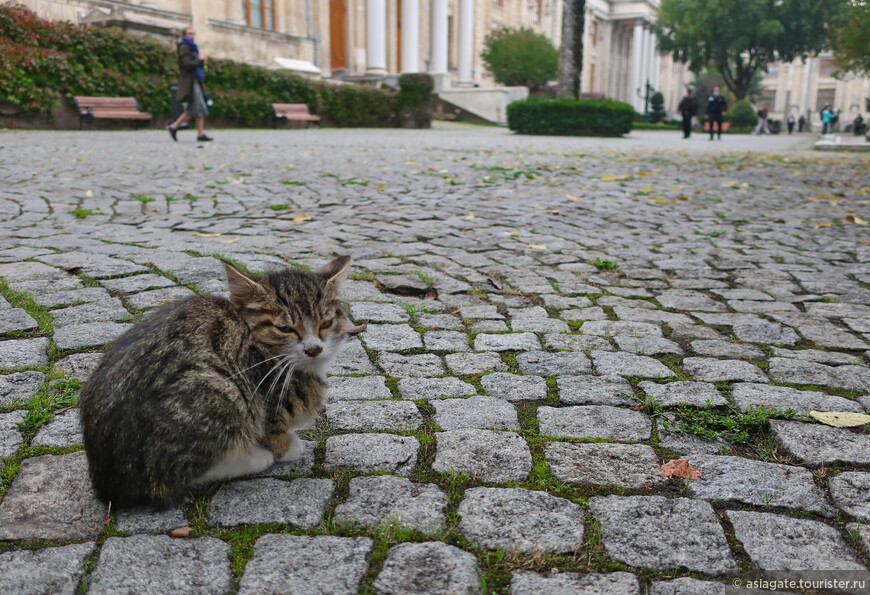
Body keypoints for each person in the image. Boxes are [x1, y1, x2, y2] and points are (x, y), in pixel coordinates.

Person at [167, 26, 212, 142]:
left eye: (193, 34)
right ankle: (175, 126)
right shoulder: (184, 47)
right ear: (184, 35)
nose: (192, 36)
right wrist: (200, 60)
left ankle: (200, 133)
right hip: (189, 82)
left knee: (198, 108)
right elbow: (186, 64)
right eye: (189, 33)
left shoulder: (192, 48)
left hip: (194, 80)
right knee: (197, 108)